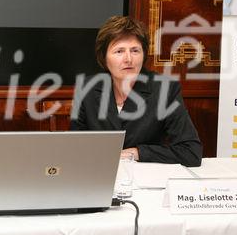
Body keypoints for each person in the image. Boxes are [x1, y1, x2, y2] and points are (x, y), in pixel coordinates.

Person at [70, 16, 202, 167]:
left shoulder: (165, 89)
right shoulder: (87, 88)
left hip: (145, 179)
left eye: (135, 50)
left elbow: (191, 152)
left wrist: (137, 153)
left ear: (144, 54)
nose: (128, 59)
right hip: (99, 173)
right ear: (104, 58)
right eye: (119, 51)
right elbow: (75, 148)